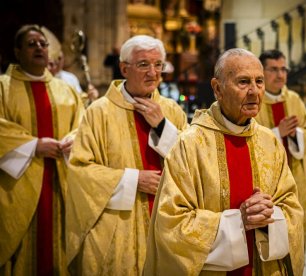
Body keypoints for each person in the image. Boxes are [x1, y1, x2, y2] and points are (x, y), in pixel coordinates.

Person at [144, 48, 304, 276]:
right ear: (217, 88)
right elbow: (172, 222)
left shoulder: (270, 142)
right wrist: (239, 221)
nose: (254, 92)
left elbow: (292, 207)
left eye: (259, 82)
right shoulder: (190, 145)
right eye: (243, 82)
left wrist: (271, 216)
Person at [66, 35, 188, 275]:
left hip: (165, 222)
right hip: (117, 227)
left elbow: (191, 163)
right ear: (124, 68)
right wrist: (133, 180)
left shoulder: (172, 110)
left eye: (158, 65)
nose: (153, 72)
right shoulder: (98, 113)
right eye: (143, 64)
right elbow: (80, 169)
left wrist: (162, 125)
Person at [0, 24, 84, 275]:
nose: (39, 48)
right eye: (32, 44)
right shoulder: (3, 88)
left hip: (61, 177)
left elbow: (83, 123)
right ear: (17, 51)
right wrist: (34, 146)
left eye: (43, 44)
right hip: (18, 183)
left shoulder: (65, 88)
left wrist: (72, 139)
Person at [255, 50, 306, 247]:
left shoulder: (294, 100)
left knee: (297, 240)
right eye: (273, 69)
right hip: (266, 185)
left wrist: (294, 135)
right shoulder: (254, 99)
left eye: (283, 69)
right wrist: (277, 132)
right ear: (262, 72)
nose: (280, 75)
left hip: (296, 181)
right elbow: (249, 139)